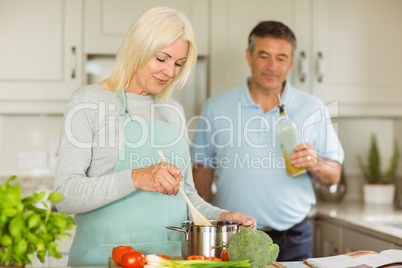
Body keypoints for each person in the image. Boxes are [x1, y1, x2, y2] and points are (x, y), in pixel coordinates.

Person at [54, 7, 256, 266]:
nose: (171, 72)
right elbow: (65, 196)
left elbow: (187, 197)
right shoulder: (88, 101)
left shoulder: (173, 111)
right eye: (162, 59)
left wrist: (223, 217)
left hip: (168, 260)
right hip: (104, 259)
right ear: (138, 49)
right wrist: (136, 177)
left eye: (178, 64)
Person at [190, 21, 344, 261]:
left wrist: (314, 163)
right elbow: (201, 173)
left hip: (293, 238)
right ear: (248, 56)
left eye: (281, 58)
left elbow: (334, 175)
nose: (273, 66)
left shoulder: (312, 107)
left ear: (292, 62)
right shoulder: (216, 107)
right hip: (233, 238)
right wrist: (202, 228)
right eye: (264, 56)